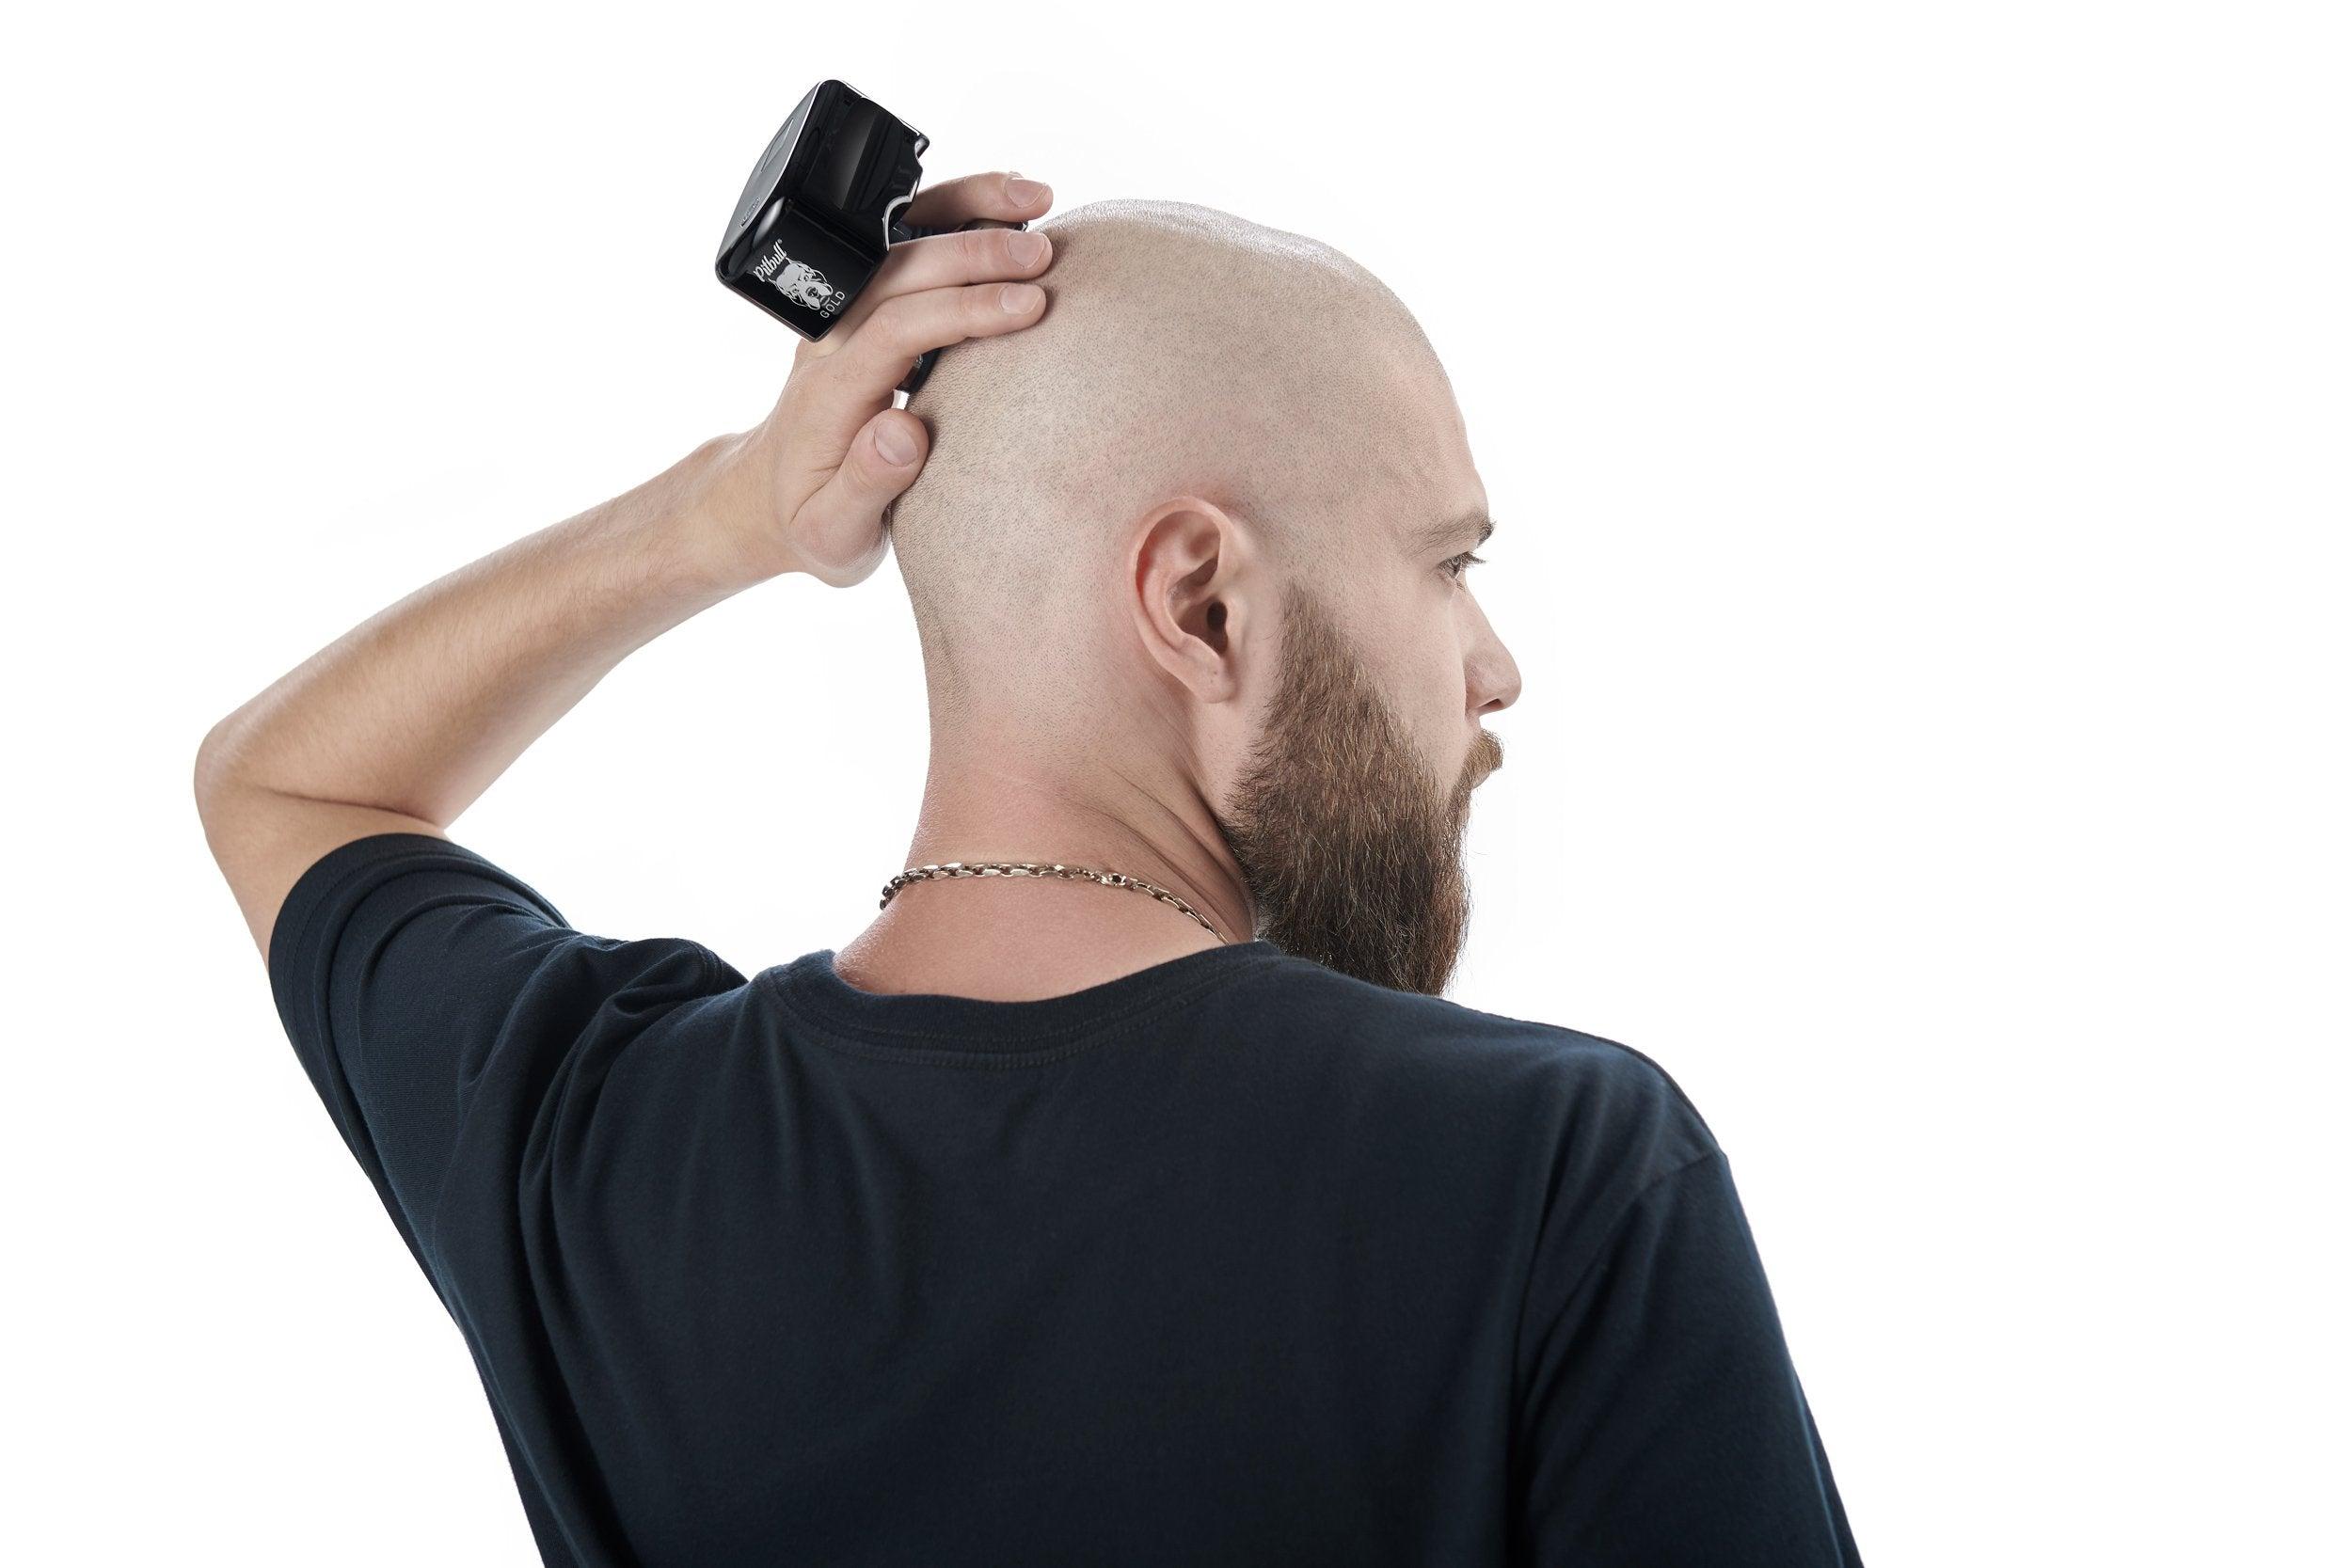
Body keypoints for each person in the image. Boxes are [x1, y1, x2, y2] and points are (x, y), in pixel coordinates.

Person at [196, 170, 1863, 1565]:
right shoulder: (1554, 1174)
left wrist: (739, 512)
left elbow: (288, 782)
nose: (1493, 668)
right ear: (1200, 601)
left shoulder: (598, 1144)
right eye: (1447, 566)